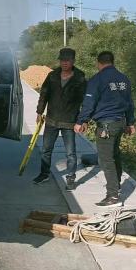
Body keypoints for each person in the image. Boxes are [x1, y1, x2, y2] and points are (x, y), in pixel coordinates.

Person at [74, 51, 136, 207]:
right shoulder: (124, 79)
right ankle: (116, 184)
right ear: (112, 62)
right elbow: (129, 103)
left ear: (98, 63)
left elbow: (89, 103)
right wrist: (130, 123)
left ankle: (113, 196)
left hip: (106, 126)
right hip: (120, 123)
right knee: (115, 155)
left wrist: (81, 121)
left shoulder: (97, 79)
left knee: (105, 159)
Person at [33, 47, 87, 190]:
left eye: (67, 60)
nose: (64, 63)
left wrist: (83, 121)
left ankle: (70, 178)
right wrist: (39, 111)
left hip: (69, 122)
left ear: (73, 61)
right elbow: (44, 94)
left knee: (70, 153)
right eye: (62, 60)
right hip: (51, 120)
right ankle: (44, 174)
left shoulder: (80, 77)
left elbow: (85, 101)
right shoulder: (52, 76)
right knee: (46, 150)